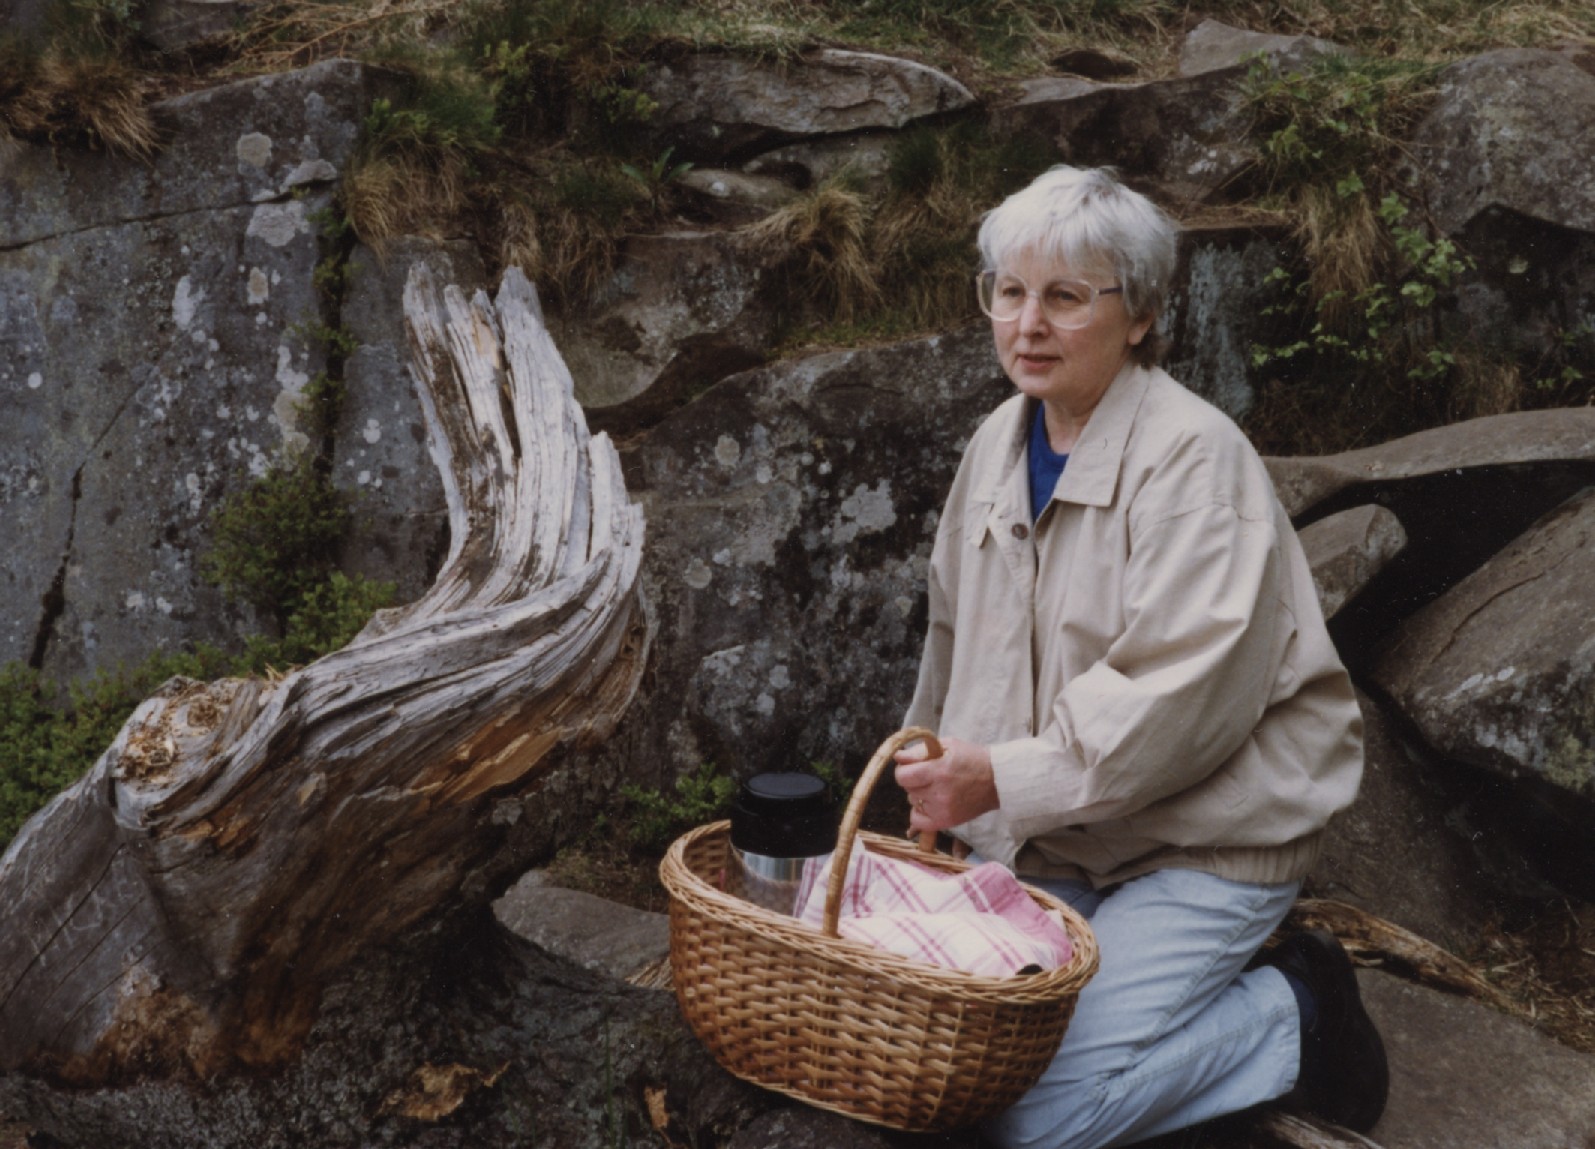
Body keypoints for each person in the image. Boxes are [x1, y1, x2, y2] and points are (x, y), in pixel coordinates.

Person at [892, 165, 1388, 1148]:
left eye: (1065, 297)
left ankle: (1298, 1008)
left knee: (1032, 1115)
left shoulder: (1195, 460)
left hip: (1199, 848)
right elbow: (953, 640)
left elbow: (1175, 704)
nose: (1027, 324)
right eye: (1008, 291)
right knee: (946, 1067)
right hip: (1058, 839)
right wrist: (933, 777)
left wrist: (995, 779)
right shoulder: (997, 441)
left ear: (1142, 314)